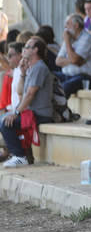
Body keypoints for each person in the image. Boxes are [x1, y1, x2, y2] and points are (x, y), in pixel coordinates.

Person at [1, 37, 54, 167]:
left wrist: (16, 113)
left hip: (40, 114)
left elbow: (30, 94)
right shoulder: (31, 68)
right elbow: (21, 93)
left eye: (27, 47)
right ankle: (18, 153)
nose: (24, 50)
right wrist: (23, 74)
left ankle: (20, 156)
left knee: (6, 123)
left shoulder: (40, 67)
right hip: (31, 112)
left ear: (35, 50)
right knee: (5, 119)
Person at [54, 14, 91, 98]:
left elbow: (75, 60)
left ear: (76, 25)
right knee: (48, 76)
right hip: (66, 75)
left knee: (65, 87)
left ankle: (61, 109)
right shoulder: (69, 37)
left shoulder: (88, 38)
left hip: (85, 77)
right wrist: (72, 60)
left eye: (68, 24)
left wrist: (67, 42)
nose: (65, 26)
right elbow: (58, 61)